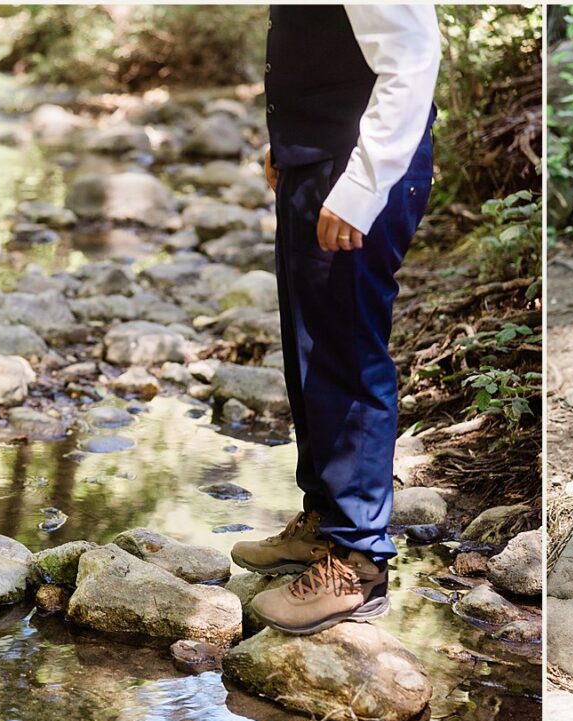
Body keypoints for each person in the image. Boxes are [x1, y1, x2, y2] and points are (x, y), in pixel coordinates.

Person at [229, 5, 440, 635]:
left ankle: (359, 563)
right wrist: (289, 145)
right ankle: (324, 521)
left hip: (354, 173)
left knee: (346, 355)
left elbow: (409, 55)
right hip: (316, 163)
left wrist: (361, 185)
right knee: (308, 350)